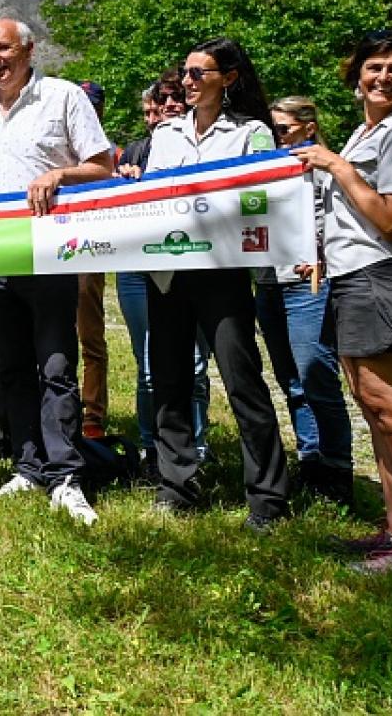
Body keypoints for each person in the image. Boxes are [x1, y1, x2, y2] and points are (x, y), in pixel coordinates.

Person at [0, 18, 113, 526]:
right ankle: (28, 466)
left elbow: (104, 166)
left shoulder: (63, 98)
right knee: (11, 366)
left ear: (28, 50)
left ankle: (67, 475)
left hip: (51, 254)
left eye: (3, 48)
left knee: (56, 365)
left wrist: (60, 174)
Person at [293, 30, 392, 573]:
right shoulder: (370, 133)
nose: (383, 77)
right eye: (374, 66)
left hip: (389, 276)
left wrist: (337, 166)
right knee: (376, 412)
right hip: (356, 277)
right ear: (356, 73)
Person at [138, 37, 290, 531]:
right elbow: (151, 196)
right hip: (167, 272)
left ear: (228, 79)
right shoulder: (165, 135)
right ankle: (176, 485)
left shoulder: (252, 133)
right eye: (184, 72)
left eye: (198, 73)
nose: (186, 81)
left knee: (242, 379)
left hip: (223, 272)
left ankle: (268, 499)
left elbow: (266, 195)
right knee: (170, 380)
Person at [254, 95, 354, 504]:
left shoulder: (325, 167)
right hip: (267, 281)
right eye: (272, 130)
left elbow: (340, 220)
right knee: (289, 378)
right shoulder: (262, 166)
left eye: (283, 129)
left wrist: (323, 258)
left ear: (308, 127)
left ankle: (337, 468)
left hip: (308, 282)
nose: (276, 137)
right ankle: (310, 460)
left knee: (315, 371)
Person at [115, 74, 214, 476]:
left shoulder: (210, 145)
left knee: (194, 365)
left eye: (176, 98)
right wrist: (126, 184)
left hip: (197, 264)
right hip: (140, 270)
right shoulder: (135, 152)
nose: (169, 105)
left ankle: (197, 447)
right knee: (149, 365)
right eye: (161, 100)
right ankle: (151, 448)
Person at [74, 80, 112, 439]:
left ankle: (93, 414)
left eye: (92, 104)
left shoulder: (108, 153)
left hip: (88, 249)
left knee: (90, 335)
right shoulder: (55, 145)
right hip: (43, 249)